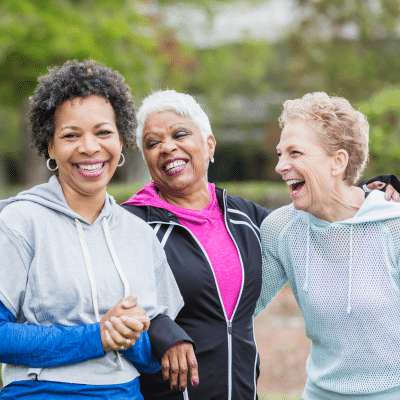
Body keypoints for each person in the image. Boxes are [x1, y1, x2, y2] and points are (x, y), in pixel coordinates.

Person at [120, 89, 398, 400]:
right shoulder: (129, 224)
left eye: (294, 153)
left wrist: (374, 194)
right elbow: (113, 301)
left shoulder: (254, 220)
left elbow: (340, 212)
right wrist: (162, 330)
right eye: (152, 143)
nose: (279, 166)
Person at [0, 60, 189, 400]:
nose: (90, 147)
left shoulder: (138, 235)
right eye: (71, 135)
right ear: (50, 147)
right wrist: (97, 337)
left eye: (103, 132)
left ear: (121, 142)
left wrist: (134, 337)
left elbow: (147, 358)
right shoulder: (18, 223)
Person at [255, 92, 400, 399]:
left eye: (295, 153)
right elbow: (238, 308)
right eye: (280, 154)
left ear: (338, 161)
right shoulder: (281, 229)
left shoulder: (394, 225)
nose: (280, 166)